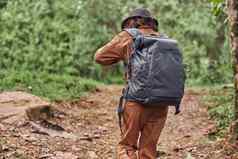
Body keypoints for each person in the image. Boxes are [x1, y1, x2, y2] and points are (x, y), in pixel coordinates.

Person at [95, 8, 170, 159]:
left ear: (132, 22)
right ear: (151, 23)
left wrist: (121, 55)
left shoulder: (128, 36)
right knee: (148, 150)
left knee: (127, 147)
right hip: (162, 102)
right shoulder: (165, 39)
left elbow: (99, 57)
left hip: (136, 101)